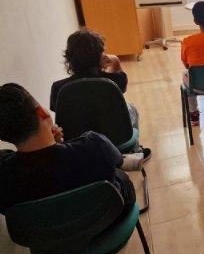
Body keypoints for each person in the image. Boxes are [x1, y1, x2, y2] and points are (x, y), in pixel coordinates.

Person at [0, 83, 137, 218]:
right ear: (41, 112)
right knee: (117, 172)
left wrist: (54, 145)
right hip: (107, 218)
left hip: (47, 231)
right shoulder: (94, 145)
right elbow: (118, 160)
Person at [50, 28, 151, 159]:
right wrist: (116, 62)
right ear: (100, 56)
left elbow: (60, 113)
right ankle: (134, 151)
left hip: (78, 144)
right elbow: (123, 86)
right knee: (132, 109)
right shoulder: (111, 81)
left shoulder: (58, 88)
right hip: (114, 138)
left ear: (69, 58)